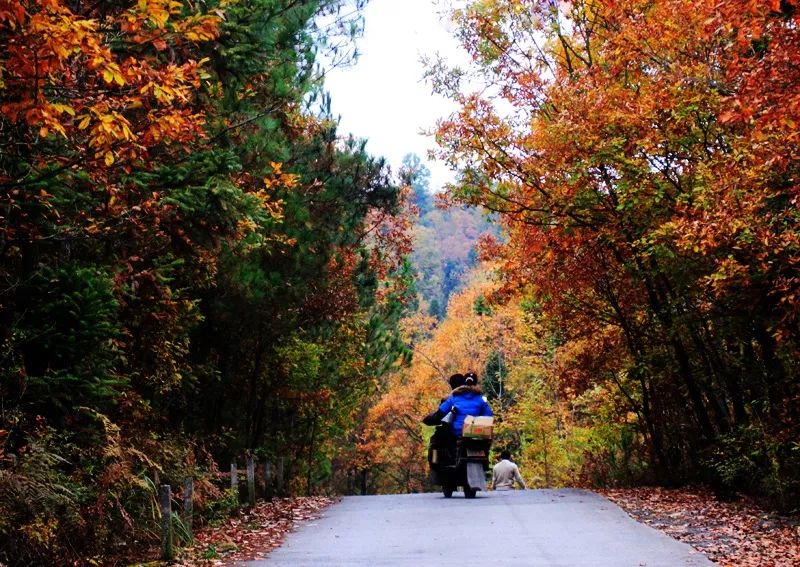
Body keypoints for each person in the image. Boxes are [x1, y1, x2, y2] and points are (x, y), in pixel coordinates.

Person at [435, 372, 493, 437]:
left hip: (457, 432)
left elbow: (441, 411)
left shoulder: (454, 397)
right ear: (476, 383)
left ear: (464, 383)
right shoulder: (480, 399)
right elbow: (489, 415)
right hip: (473, 433)